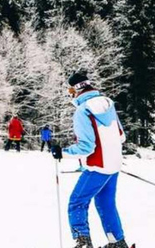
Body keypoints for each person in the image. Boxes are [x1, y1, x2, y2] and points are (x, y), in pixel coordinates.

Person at [51, 69, 129, 248]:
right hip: (114, 165)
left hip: (97, 166)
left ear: (76, 89)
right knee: (105, 203)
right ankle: (117, 242)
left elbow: (86, 147)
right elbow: (121, 136)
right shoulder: (108, 103)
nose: (70, 94)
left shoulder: (82, 110)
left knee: (77, 202)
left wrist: (62, 152)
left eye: (70, 91)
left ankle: (83, 242)